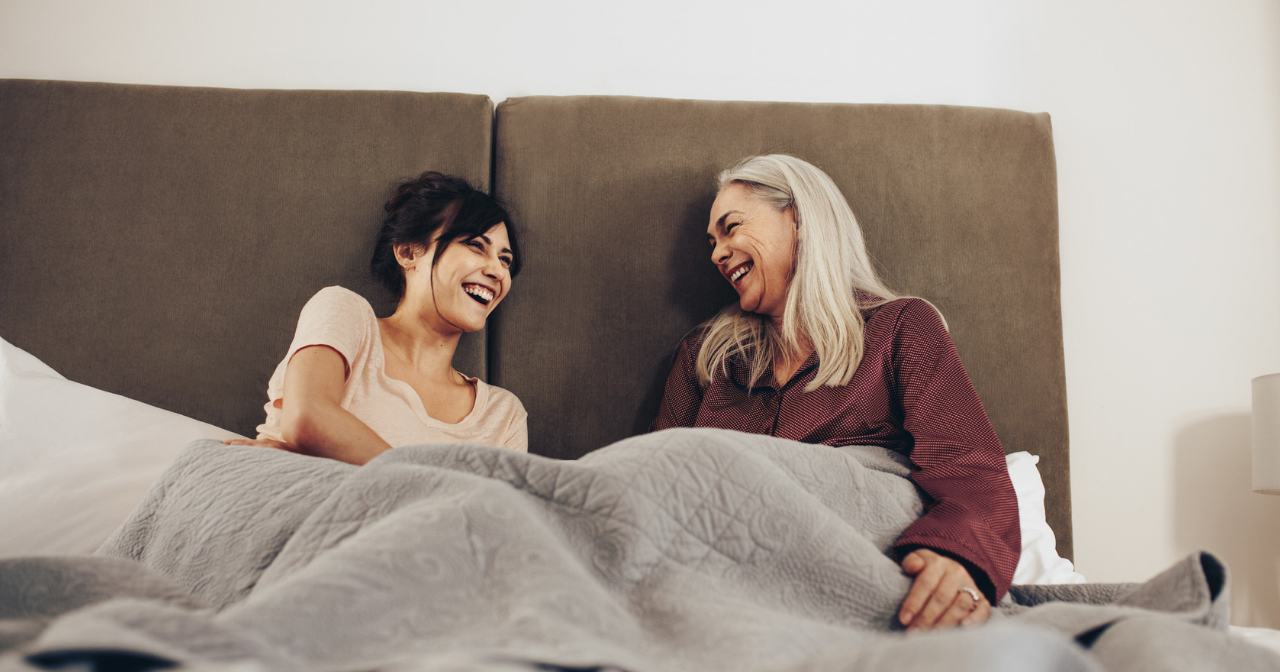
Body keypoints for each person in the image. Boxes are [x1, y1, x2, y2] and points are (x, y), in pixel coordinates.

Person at [650, 154, 1019, 632]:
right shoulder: (704, 357)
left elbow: (969, 468)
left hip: (861, 576)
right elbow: (656, 479)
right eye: (712, 242)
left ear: (799, 219)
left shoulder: (901, 328)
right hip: (722, 587)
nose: (717, 254)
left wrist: (960, 559)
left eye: (731, 228)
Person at [227, 171, 528, 464]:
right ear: (408, 252)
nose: (497, 271)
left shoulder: (503, 415)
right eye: (476, 246)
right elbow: (306, 419)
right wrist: (435, 486)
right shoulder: (347, 314)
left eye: (505, 260)